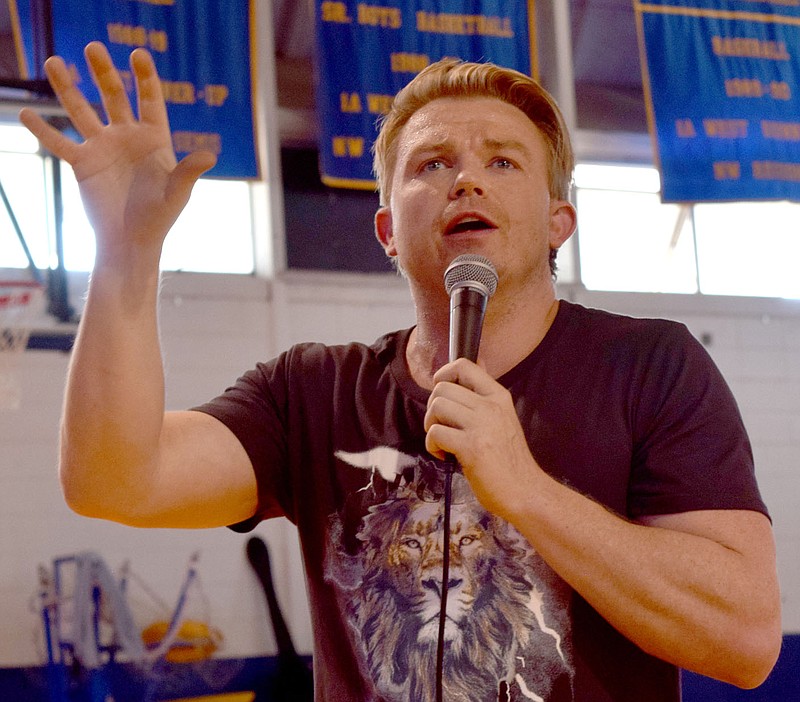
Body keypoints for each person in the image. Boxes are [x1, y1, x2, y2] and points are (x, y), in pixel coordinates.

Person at [20, 41, 781, 701]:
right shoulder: (311, 392)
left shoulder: (651, 366)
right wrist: (125, 250)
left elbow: (744, 641)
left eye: (503, 160)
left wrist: (526, 490)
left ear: (559, 221)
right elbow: (113, 478)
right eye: (433, 163)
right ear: (388, 228)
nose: (466, 180)